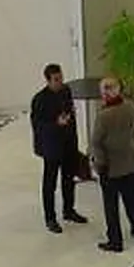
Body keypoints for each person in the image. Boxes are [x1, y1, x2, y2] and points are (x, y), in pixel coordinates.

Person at [30, 63, 88, 234]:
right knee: (50, 183)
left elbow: (70, 114)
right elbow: (37, 125)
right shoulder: (40, 99)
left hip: (68, 144)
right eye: (56, 79)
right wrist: (56, 124)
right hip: (52, 147)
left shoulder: (66, 91)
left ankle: (68, 210)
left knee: (68, 179)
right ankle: (50, 218)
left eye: (61, 78)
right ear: (48, 80)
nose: (60, 82)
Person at [90, 77, 134, 254]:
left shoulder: (103, 116)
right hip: (129, 161)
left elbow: (96, 142)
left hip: (110, 166)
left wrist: (99, 164)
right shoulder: (130, 106)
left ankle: (115, 241)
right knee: (132, 199)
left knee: (111, 206)